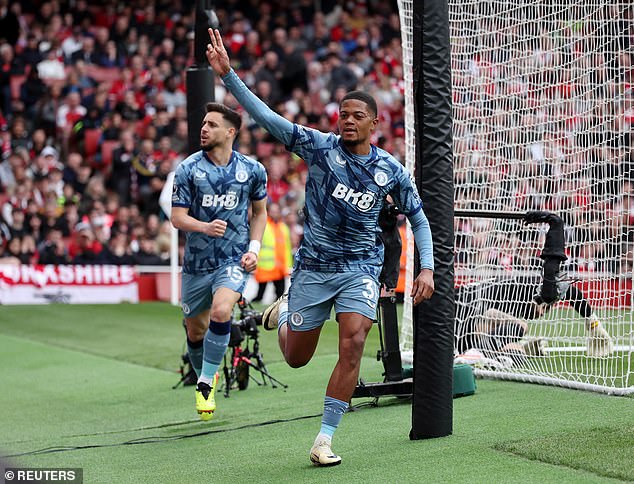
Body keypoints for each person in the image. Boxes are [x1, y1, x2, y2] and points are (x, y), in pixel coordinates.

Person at [206, 29, 435, 466]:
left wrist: (427, 268)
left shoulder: (392, 170)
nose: (347, 120)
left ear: (375, 123)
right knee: (296, 357)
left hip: (360, 269)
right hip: (313, 268)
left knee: (354, 341)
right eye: (343, 114)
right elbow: (268, 118)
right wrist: (230, 77)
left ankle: (324, 439)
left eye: (356, 115)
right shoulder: (320, 148)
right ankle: (283, 313)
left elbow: (419, 219)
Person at [170, 102, 267, 421]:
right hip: (196, 264)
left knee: (222, 310)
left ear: (230, 132)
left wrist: (254, 248)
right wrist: (204, 226)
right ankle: (205, 374)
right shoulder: (188, 169)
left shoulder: (252, 170)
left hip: (232, 259)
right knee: (195, 332)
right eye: (203, 123)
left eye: (211, 124)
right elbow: (177, 218)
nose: (204, 128)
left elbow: (260, 213)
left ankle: (204, 384)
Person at [455, 211, 613, 363]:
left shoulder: (527, 295)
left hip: (467, 319)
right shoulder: (519, 290)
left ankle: (498, 353)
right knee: (519, 328)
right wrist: (519, 323)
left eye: (547, 310)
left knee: (517, 352)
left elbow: (573, 294)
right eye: (544, 307)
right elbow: (488, 314)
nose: (542, 312)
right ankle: (475, 353)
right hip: (458, 311)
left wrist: (594, 325)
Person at [252, 201, 293, 303]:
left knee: (280, 294)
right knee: (259, 294)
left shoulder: (283, 227)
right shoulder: (264, 226)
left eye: (276, 211)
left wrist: (288, 265)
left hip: (279, 267)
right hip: (265, 265)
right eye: (273, 211)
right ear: (268, 212)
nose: (275, 213)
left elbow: (287, 248)